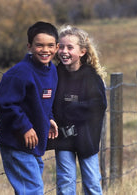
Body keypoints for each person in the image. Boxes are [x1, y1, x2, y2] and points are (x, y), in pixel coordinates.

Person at [0, 21, 59, 195]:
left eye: (50, 45)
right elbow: (4, 103)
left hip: (34, 144)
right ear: (29, 46)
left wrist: (49, 118)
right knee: (33, 190)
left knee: (28, 189)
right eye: (39, 45)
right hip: (16, 143)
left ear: (57, 47)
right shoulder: (20, 72)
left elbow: (44, 101)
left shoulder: (52, 71)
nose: (45, 50)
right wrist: (24, 127)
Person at [46, 25, 107, 195]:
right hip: (63, 138)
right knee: (65, 182)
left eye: (70, 47)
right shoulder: (54, 74)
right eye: (61, 46)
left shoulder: (91, 76)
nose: (64, 51)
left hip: (86, 138)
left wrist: (70, 109)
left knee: (92, 182)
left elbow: (98, 106)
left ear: (82, 52)